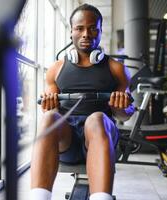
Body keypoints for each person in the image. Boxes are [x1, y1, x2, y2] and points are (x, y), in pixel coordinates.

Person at [30, 4, 135, 200]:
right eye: (80, 28)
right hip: (67, 142)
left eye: (92, 28)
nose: (86, 34)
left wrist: (118, 107)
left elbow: (125, 114)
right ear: (72, 32)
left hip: (99, 137)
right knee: (49, 118)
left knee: (96, 119)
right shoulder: (56, 69)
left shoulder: (116, 69)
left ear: (100, 31)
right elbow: (49, 111)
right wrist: (49, 106)